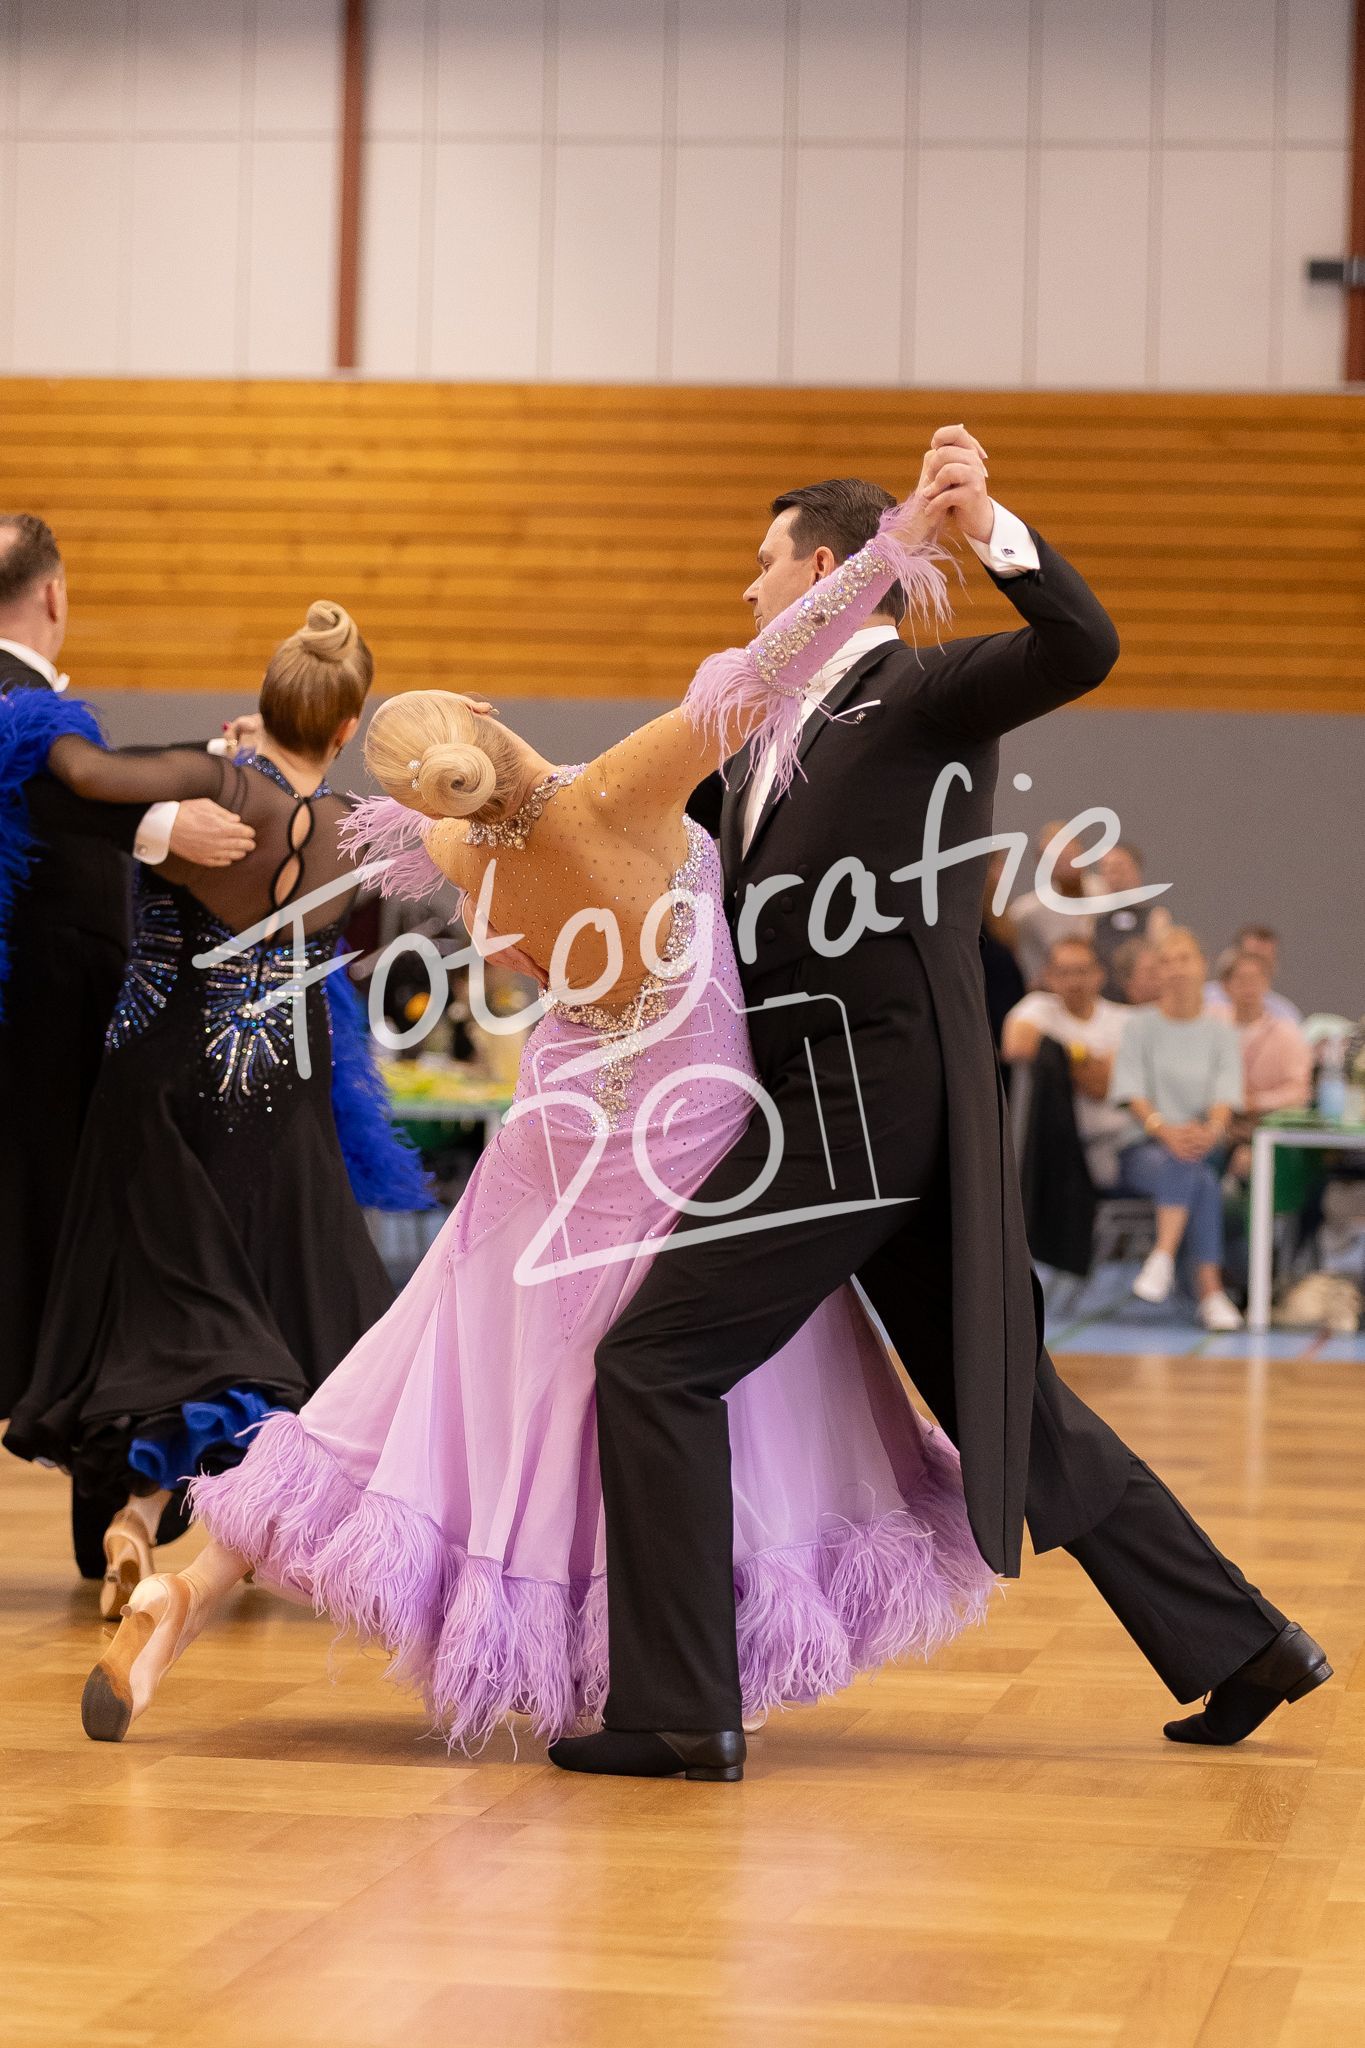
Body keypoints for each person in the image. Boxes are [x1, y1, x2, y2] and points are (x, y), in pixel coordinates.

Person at [77, 476, 997, 1753]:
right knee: (664, 1409)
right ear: (494, 728)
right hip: (674, 1152)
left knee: (403, 1389)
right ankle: (655, 1670)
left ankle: (188, 1581)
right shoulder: (612, 794)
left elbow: (390, 830)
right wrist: (894, 546)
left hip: (542, 1152)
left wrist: (372, 768)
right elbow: (769, 666)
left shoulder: (466, 856)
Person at [548, 427, 1327, 1783]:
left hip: (867, 1104)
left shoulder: (921, 693)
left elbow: (1081, 645)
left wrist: (984, 529)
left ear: (825, 572)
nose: (745, 589)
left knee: (654, 1358)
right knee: (1009, 1405)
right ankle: (1245, 1643)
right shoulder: (757, 737)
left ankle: (679, 1707)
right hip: (825, 1108)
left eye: (762, 564)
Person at [4, 603, 409, 1616]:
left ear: (264, 700)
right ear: (347, 725)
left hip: (157, 1082)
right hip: (278, 1100)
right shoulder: (363, 829)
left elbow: (81, 777)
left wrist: (33, 714)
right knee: (266, 1312)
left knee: (176, 1313)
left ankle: (140, 1518)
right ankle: (183, 1526)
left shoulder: (214, 784)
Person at [0, 513, 254, 1574]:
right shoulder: (25, 707)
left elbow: (85, 773)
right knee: (103, 1263)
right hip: (48, 1046)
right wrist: (170, 818)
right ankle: (127, 1513)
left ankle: (115, 1519)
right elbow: (60, 773)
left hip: (54, 1046)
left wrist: (211, 763)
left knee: (79, 1269)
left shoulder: (44, 716)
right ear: (55, 594)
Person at [1109, 928, 1245, 1330]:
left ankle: (1162, 1259)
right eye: (1166, 962)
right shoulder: (1138, 1026)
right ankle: (1210, 1292)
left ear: (1203, 965)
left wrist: (1211, 1130)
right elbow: (1131, 1092)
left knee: (1194, 1166)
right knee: (1197, 1176)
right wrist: (1165, 1130)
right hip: (1145, 1147)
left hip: (1202, 1143)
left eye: (1184, 959)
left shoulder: (1221, 1031)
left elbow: (1225, 1095)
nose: (1176, 969)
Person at [1001, 936, 1130, 1189]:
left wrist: (1055, 1058)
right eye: (1064, 972)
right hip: (1050, 1148)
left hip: (1113, 1144)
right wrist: (1083, 1056)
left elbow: (1100, 1086)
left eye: (1082, 971)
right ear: (1048, 976)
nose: (1074, 981)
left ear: (1099, 974)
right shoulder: (1038, 1006)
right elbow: (1015, 1045)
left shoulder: (1123, 1019)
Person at [1220, 949, 1313, 1181]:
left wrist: (1257, 1101)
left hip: (1267, 1129)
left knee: (1253, 1162)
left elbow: (1299, 1091)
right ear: (1226, 986)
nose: (1248, 988)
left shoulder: (1286, 1034)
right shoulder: (1214, 1028)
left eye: (1256, 979)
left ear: (1267, 983)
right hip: (1220, 1126)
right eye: (1241, 980)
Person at [1008, 821, 1094, 987]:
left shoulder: (1105, 893)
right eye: (1056, 858)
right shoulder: (1026, 912)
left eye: (1070, 854)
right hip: (1050, 993)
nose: (1066, 863)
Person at [1090, 842, 1171, 1001]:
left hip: (1145, 1003)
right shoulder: (1094, 921)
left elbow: (1162, 962)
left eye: (1119, 867)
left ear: (1136, 870)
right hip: (1106, 1003)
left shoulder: (1155, 917)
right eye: (1106, 869)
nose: (1113, 875)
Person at [1205, 924, 1302, 1024]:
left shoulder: (1285, 1014)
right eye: (1251, 957)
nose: (1257, 967)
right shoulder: (1203, 1000)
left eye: (1265, 960)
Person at [1111, 934, 1162, 1007]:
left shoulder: (1170, 1010)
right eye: (1151, 971)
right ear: (1128, 980)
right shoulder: (1111, 1011)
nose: (1161, 976)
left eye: (1160, 969)